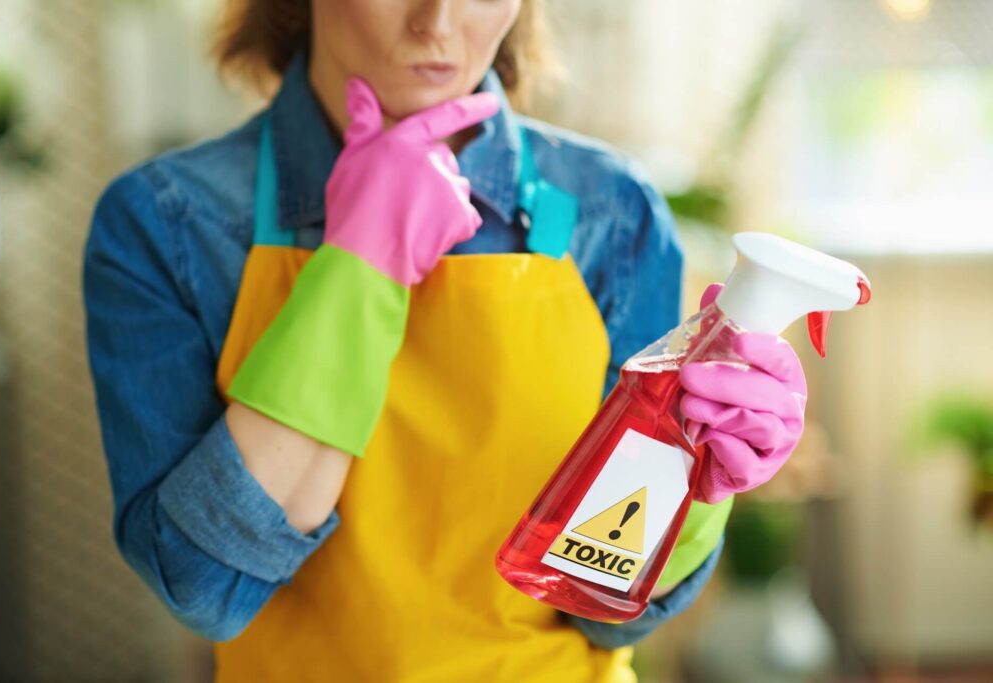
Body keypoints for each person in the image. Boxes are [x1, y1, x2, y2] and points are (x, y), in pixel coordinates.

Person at [83, 1, 808, 681]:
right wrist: (360, 263)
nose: (438, 20)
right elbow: (202, 586)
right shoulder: (168, 223)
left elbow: (600, 611)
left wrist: (700, 485)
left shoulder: (612, 211)